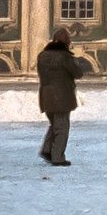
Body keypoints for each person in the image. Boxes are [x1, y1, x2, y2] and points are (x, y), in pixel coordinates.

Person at [38, 29, 84, 166]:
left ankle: (47, 150)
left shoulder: (42, 56)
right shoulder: (65, 57)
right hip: (62, 96)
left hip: (46, 95)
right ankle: (57, 157)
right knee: (62, 127)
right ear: (67, 43)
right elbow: (77, 74)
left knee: (55, 124)